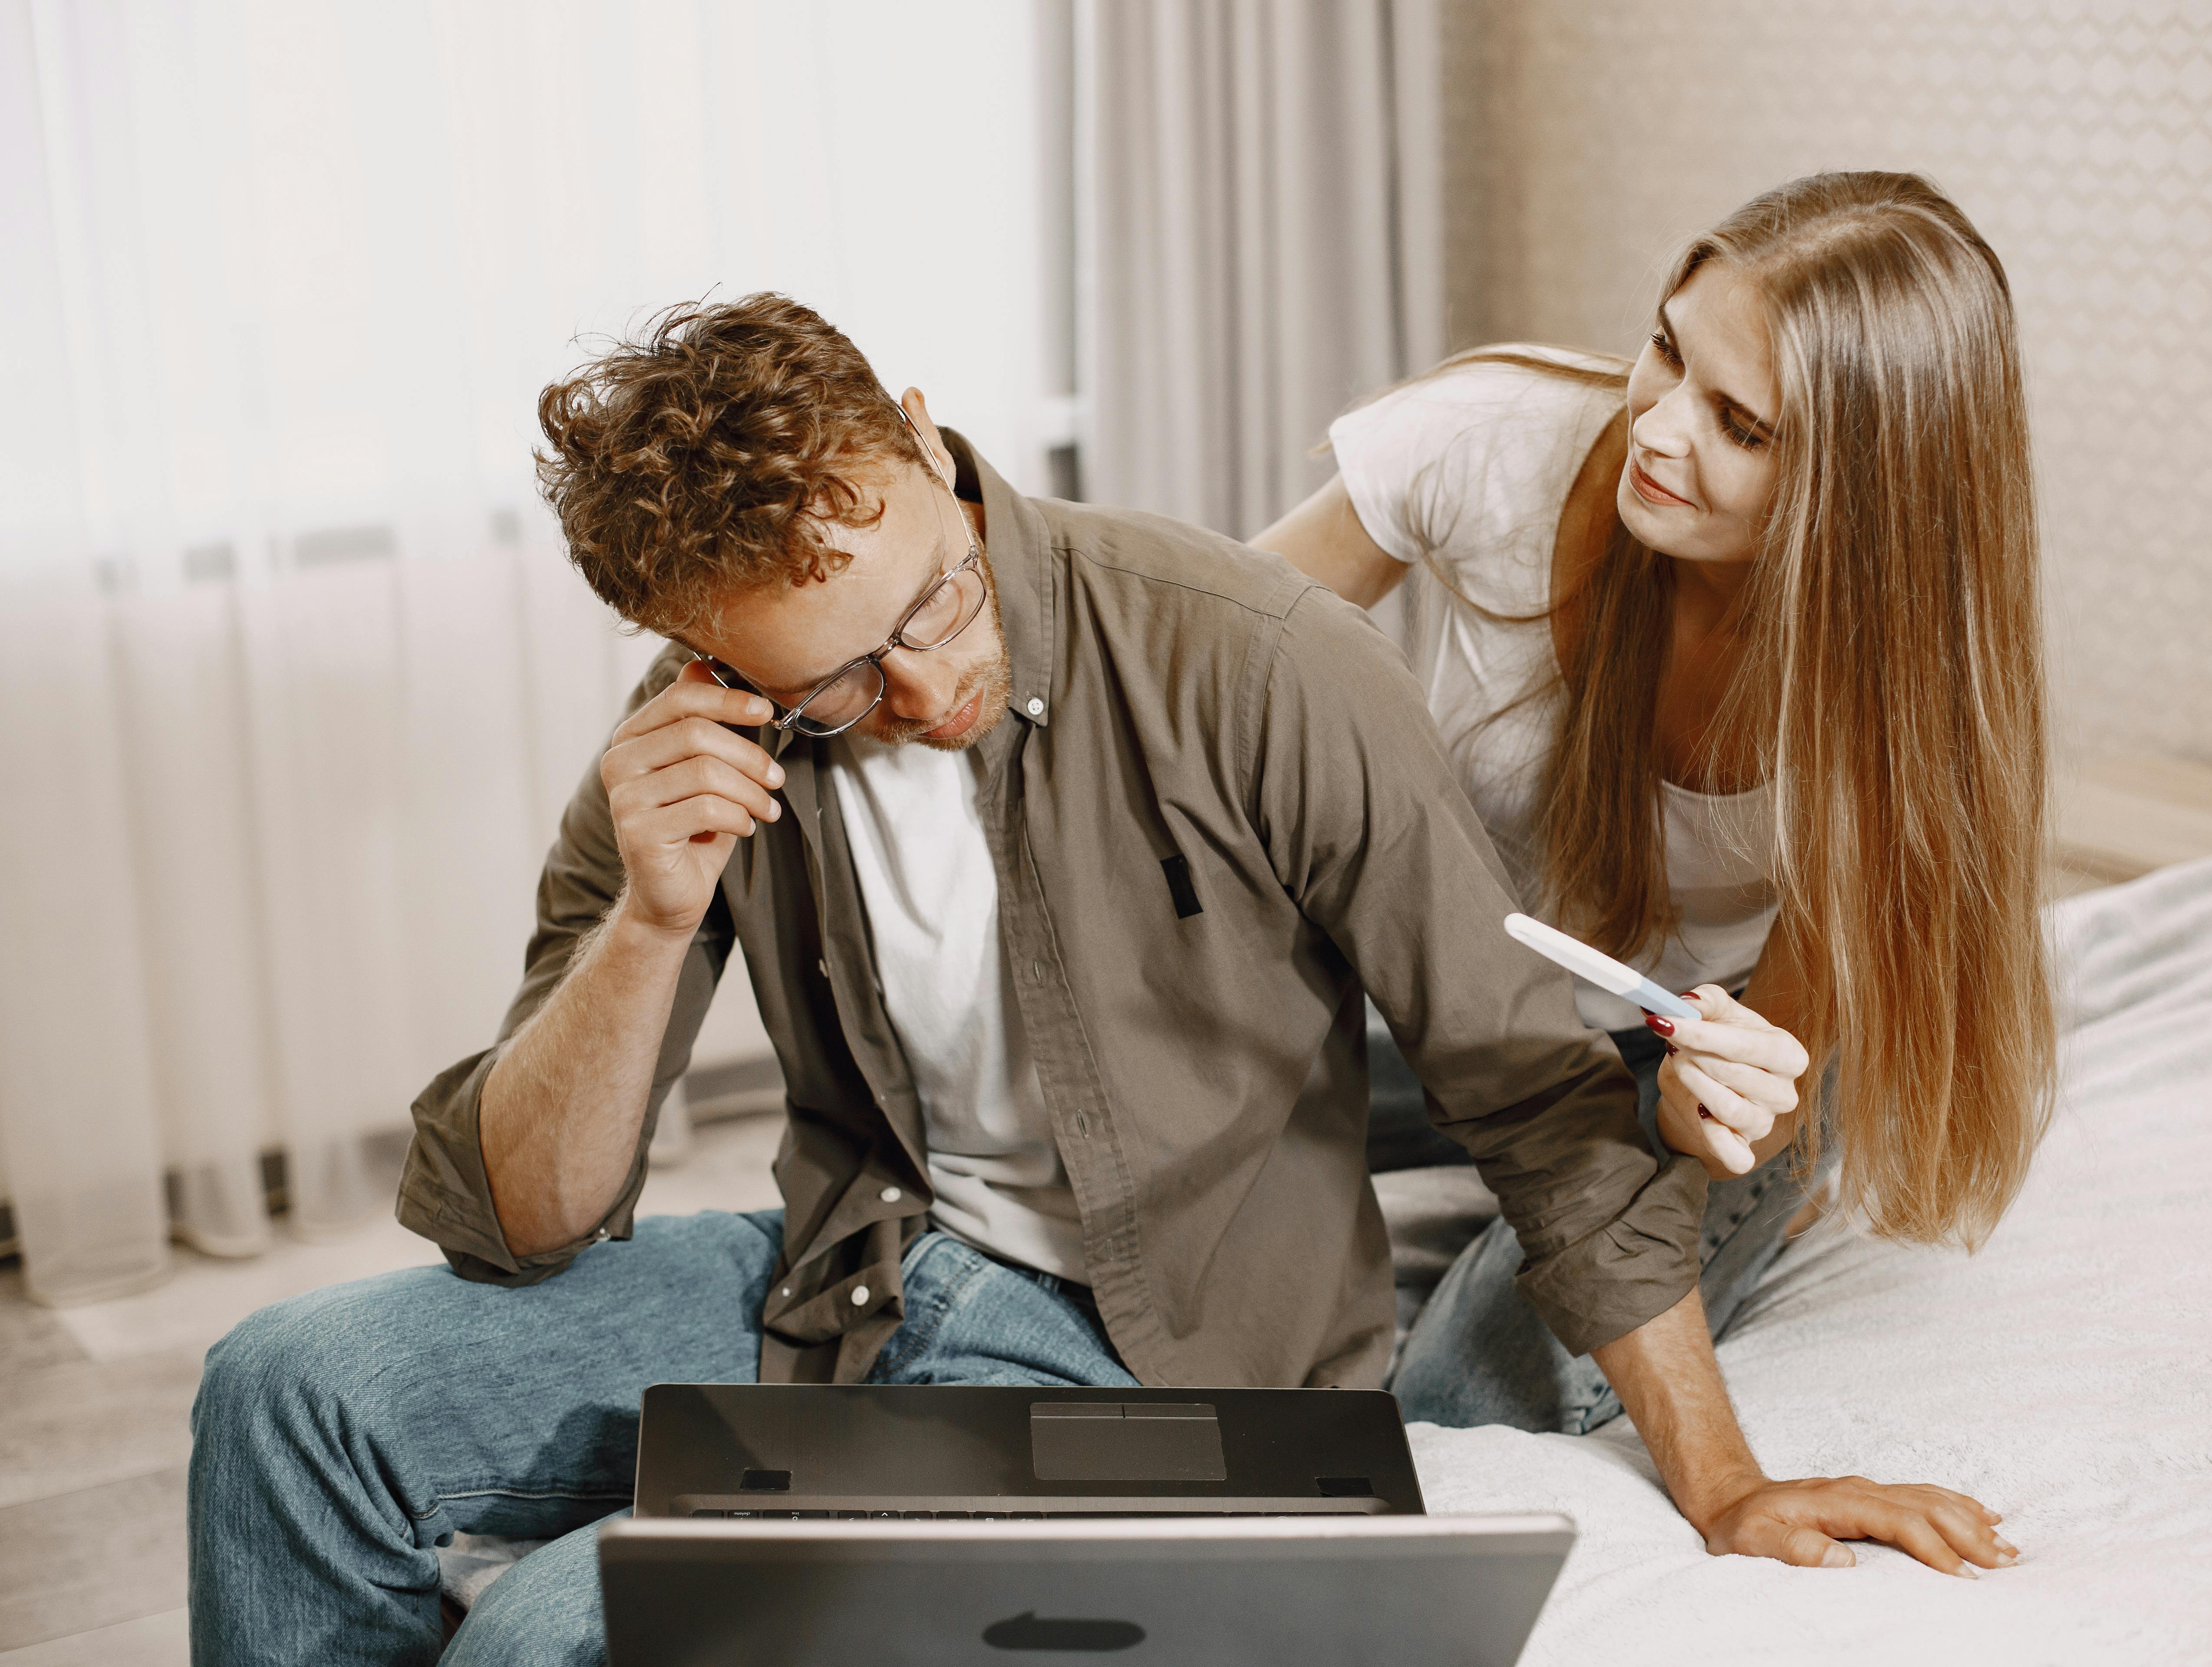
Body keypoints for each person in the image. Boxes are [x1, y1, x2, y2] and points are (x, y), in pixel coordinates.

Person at [186, 290, 2011, 1667]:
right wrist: (653, 920)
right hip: (856, 1279)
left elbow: (1527, 1094)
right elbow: (524, 1220)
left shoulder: (1252, 657)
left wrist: (1725, 1482)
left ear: (919, 434)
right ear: (705, 646)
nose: (922, 691)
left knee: (563, 1629)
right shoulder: (694, 750)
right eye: (837, 683)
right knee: (293, 1384)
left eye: (934, 601)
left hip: (1165, 1357)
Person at [1259, 170, 2057, 1527]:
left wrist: (1719, 1121)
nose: (1660, 428)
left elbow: (1764, 1089)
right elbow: (1198, 655)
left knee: (1452, 1407)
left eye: (1739, 425)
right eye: (1670, 348)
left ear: (1857, 495)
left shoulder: (1891, 712)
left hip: (1688, 1047)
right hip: (1456, 1013)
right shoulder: (1498, 444)